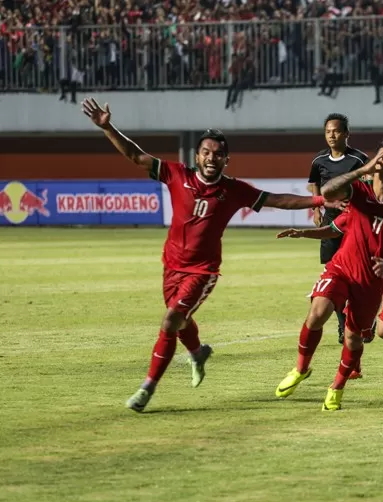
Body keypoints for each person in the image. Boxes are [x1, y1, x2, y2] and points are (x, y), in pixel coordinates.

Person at [81, 98, 343, 413]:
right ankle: (197, 353)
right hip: (171, 267)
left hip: (202, 271)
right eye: (206, 152)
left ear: (226, 160)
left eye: (218, 154)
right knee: (179, 320)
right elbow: (135, 155)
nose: (211, 158)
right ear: (197, 156)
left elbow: (278, 200)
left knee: (170, 320)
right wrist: (108, 127)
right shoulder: (176, 174)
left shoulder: (233, 190)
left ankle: (146, 388)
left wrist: (318, 202)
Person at [275, 139, 383, 411]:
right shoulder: (358, 191)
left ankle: (336, 387)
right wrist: (302, 233)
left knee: (355, 338)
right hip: (341, 267)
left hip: (371, 281)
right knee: (318, 312)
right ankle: (300, 369)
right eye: (382, 154)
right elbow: (329, 195)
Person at [276, 199, 383, 378]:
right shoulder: (359, 201)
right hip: (368, 267)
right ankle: (354, 368)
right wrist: (303, 232)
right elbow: (335, 229)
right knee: (355, 321)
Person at [308, 113, 370, 344]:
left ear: (346, 134)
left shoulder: (360, 159)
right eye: (327, 132)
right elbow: (313, 183)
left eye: (335, 131)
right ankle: (344, 324)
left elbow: (371, 187)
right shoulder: (319, 160)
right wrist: (317, 209)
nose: (331, 135)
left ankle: (362, 317)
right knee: (333, 275)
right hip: (331, 221)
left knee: (357, 276)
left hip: (355, 223)